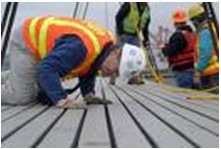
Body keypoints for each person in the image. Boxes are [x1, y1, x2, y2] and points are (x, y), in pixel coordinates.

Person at [1, 16, 122, 108]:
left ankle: (12, 76)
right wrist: (62, 99)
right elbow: (46, 69)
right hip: (27, 40)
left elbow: (89, 66)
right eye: (116, 70)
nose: (113, 75)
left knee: (39, 93)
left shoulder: (104, 47)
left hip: (44, 52)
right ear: (116, 53)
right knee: (22, 97)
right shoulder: (81, 47)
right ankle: (14, 78)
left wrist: (88, 94)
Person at [115, 2, 150, 85]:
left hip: (135, 35)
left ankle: (134, 78)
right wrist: (120, 31)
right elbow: (118, 17)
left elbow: (146, 25)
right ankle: (114, 75)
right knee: (121, 55)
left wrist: (146, 39)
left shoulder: (146, 9)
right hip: (123, 33)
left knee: (135, 56)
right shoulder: (129, 4)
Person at [161, 8, 196, 88]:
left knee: (185, 95)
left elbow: (171, 51)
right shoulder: (192, 33)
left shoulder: (178, 35)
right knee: (193, 93)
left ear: (175, 23)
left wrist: (164, 49)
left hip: (182, 69)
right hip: (192, 67)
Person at [188, 4, 219, 92]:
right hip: (215, 72)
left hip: (211, 75)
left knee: (211, 103)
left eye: (192, 21)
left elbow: (206, 53)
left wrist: (198, 72)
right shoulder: (212, 28)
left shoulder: (205, 32)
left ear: (196, 20)